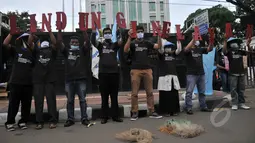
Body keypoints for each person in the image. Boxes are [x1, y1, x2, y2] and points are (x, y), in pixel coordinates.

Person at [124, 25, 162, 121]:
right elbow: (125, 49)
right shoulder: (133, 43)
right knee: (134, 93)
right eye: (138, 31)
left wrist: (159, 36)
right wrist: (129, 37)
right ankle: (135, 112)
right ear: (136, 33)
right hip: (135, 70)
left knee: (149, 92)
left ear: (143, 33)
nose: (140, 33)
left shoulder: (147, 43)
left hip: (147, 69)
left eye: (141, 31)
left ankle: (152, 111)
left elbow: (158, 46)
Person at [59, 30, 92, 127]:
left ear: (79, 44)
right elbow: (59, 43)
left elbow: (87, 42)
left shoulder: (82, 50)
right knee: (69, 100)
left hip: (81, 79)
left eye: (76, 42)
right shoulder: (66, 51)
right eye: (72, 42)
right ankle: (70, 119)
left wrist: (84, 31)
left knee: (82, 100)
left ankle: (84, 118)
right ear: (69, 43)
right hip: (69, 80)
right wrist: (60, 31)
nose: (74, 43)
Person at [3, 32, 34, 131]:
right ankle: (10, 122)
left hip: (28, 83)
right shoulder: (16, 49)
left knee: (26, 104)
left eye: (30, 38)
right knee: (13, 104)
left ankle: (23, 122)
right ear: (22, 39)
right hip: (16, 82)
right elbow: (5, 44)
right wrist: (11, 34)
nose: (29, 39)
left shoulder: (32, 52)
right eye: (27, 38)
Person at [95, 27, 123, 124]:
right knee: (104, 97)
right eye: (106, 33)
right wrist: (94, 32)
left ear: (111, 35)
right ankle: (104, 117)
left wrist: (120, 33)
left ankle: (115, 116)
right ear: (103, 35)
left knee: (114, 96)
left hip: (114, 73)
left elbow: (120, 42)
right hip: (103, 74)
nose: (107, 34)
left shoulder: (114, 45)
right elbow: (93, 42)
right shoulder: (101, 45)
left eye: (109, 33)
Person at [33, 30, 58, 129]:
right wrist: (31, 34)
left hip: (49, 80)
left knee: (51, 101)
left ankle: (53, 121)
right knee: (38, 102)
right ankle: (39, 122)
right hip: (38, 80)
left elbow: (55, 44)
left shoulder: (52, 52)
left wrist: (50, 32)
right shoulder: (36, 51)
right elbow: (30, 43)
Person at [184, 35, 213, 115]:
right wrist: (193, 38)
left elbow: (209, 49)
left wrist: (211, 41)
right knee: (189, 92)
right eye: (196, 40)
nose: (197, 41)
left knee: (202, 92)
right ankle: (189, 107)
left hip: (201, 73)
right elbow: (186, 49)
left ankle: (203, 106)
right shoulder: (189, 49)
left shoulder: (200, 49)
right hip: (191, 74)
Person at [223, 37, 252, 110]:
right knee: (233, 89)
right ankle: (234, 104)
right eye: (233, 43)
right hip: (233, 73)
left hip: (241, 72)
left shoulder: (240, 51)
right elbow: (224, 51)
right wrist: (225, 41)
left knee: (241, 89)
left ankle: (241, 103)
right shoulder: (229, 52)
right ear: (230, 45)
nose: (234, 44)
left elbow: (249, 53)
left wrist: (248, 44)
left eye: (235, 43)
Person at [157, 40, 182, 116]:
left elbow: (179, 50)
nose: (168, 49)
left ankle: (174, 111)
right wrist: (159, 37)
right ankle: (165, 111)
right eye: (167, 47)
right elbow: (160, 49)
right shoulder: (161, 54)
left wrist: (178, 39)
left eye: (170, 47)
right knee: (165, 95)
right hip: (164, 77)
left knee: (173, 94)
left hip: (173, 77)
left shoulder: (173, 54)